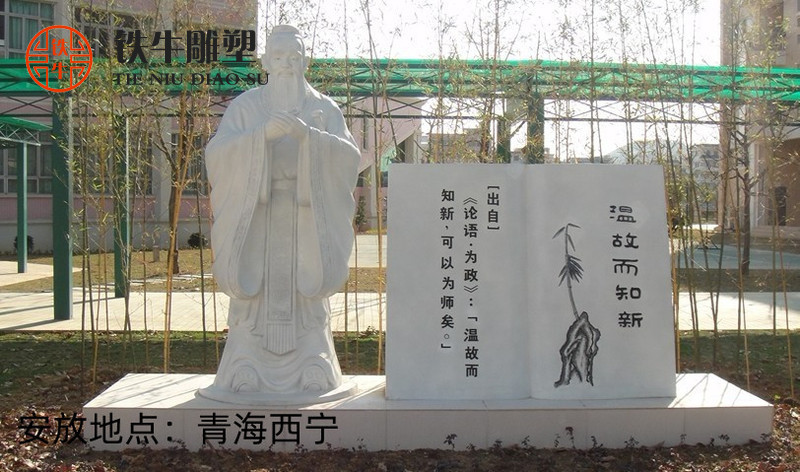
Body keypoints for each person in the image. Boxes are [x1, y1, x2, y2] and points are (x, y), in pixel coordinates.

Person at [199, 25, 360, 403]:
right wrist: (261, 137)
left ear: (306, 61)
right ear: (266, 62)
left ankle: (313, 366)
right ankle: (245, 367)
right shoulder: (246, 107)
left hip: (307, 220)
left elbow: (349, 158)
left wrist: (309, 138)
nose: (287, 64)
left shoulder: (324, 108)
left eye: (294, 57)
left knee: (308, 304)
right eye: (279, 57)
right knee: (253, 307)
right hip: (256, 219)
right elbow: (217, 155)